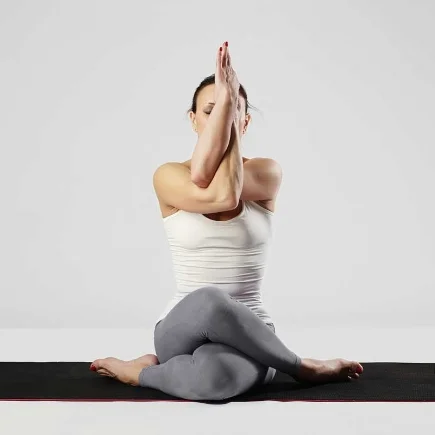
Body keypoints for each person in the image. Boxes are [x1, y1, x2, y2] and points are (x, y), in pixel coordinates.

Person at [90, 41, 364, 400]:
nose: (221, 117)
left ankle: (143, 372)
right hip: (182, 327)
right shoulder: (168, 175)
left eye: (232, 111)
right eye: (211, 111)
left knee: (216, 381)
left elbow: (224, 187)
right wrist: (228, 105)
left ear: (244, 121)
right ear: (193, 119)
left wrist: (226, 114)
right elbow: (218, 194)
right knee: (210, 300)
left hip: (255, 334)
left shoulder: (266, 171)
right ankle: (302, 367)